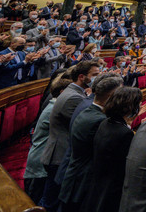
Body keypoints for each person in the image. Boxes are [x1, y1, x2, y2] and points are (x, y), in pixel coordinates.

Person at [40, 60, 100, 211]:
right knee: (52, 201)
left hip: (59, 153)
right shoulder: (75, 97)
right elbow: (82, 126)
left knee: (51, 199)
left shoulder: (75, 93)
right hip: (59, 155)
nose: (97, 78)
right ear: (81, 76)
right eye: (95, 75)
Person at [59, 75, 124, 212]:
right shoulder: (100, 120)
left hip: (74, 176)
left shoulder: (88, 109)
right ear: (111, 96)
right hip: (82, 182)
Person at [83, 86, 143, 212]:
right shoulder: (124, 133)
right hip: (111, 188)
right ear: (130, 107)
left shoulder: (106, 122)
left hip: (98, 182)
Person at [24, 77, 72, 203]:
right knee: (34, 199)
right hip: (40, 161)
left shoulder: (55, 104)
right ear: (63, 93)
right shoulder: (55, 108)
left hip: (43, 157)